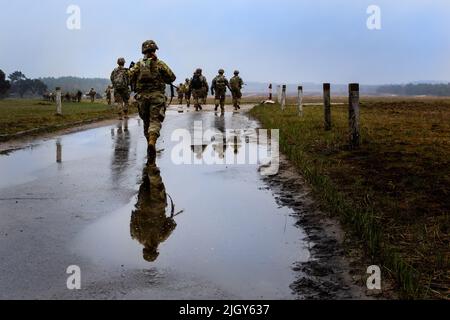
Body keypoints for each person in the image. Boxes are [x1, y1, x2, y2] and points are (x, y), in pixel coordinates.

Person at [129, 40, 176, 165]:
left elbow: (129, 77)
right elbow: (172, 77)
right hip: (157, 97)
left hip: (142, 98)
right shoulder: (159, 64)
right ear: (155, 50)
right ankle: (152, 142)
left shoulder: (138, 65)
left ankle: (149, 143)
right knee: (154, 121)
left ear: (143, 51)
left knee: (146, 121)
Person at [130, 165, 176, 263]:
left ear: (155, 251)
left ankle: (152, 170)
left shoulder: (161, 237)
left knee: (157, 184)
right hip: (143, 204)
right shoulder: (137, 236)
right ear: (144, 250)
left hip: (158, 205)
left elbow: (172, 224)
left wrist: (169, 220)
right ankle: (148, 169)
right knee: (146, 182)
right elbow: (133, 218)